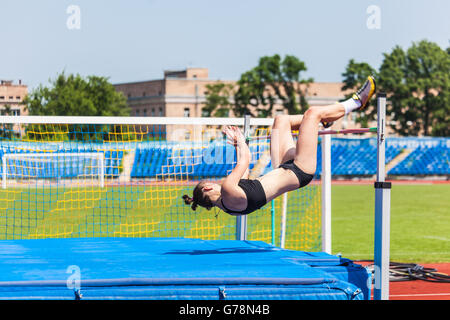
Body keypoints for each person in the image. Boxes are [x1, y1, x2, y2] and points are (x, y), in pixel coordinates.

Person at [183, 76, 376, 215]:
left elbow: (245, 172)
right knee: (312, 113)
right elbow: (245, 161)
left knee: (281, 121)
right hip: (300, 170)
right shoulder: (227, 189)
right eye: (210, 182)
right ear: (208, 188)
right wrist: (240, 140)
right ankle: (356, 103)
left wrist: (237, 144)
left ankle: (324, 120)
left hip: (284, 166)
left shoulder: (229, 204)